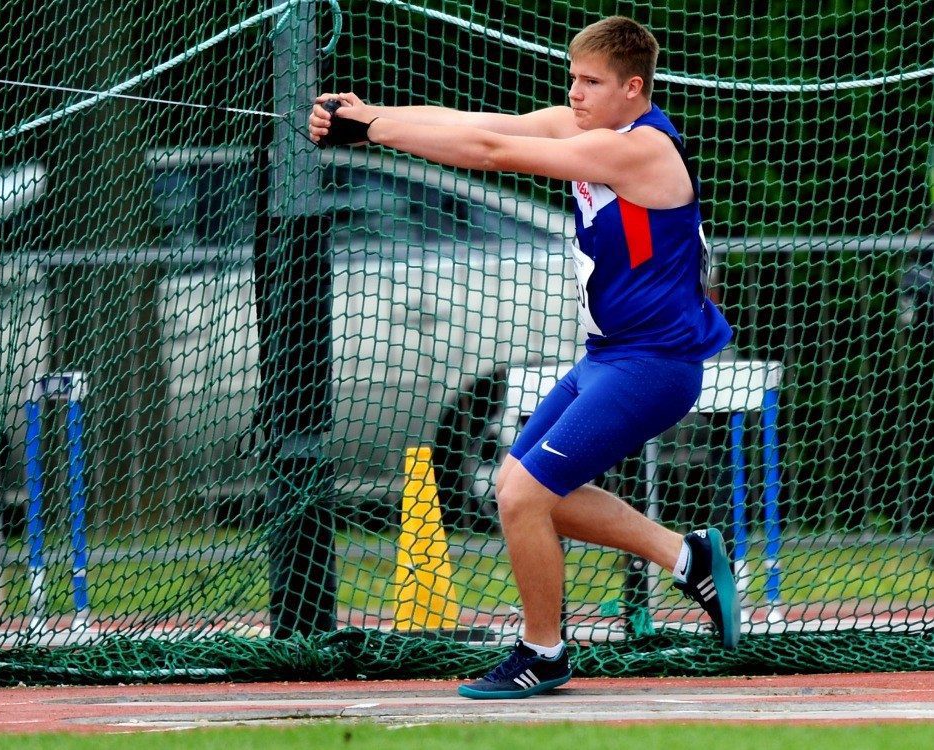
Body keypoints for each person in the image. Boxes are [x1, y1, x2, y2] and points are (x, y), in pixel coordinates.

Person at [310, 16, 740, 698]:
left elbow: (491, 153)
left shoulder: (642, 151)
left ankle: (544, 651)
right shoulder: (588, 127)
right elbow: (485, 121)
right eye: (573, 78)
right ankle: (686, 556)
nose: (575, 93)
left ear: (633, 88)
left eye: (591, 82)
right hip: (609, 356)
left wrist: (371, 134)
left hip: (654, 365)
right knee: (527, 489)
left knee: (521, 497)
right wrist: (373, 113)